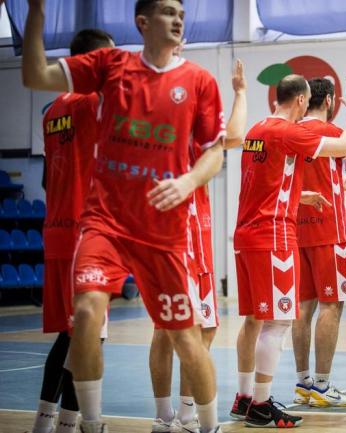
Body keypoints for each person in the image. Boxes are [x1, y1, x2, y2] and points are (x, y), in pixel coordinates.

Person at [22, 1, 227, 432]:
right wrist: (37, 13)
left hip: (161, 230)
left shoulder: (199, 80)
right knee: (85, 314)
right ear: (142, 22)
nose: (178, 19)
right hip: (104, 221)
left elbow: (215, 152)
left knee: (186, 337)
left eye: (181, 13)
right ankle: (90, 423)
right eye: (168, 11)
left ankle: (207, 426)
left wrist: (189, 181)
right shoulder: (110, 67)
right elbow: (35, 76)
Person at [229, 74, 346, 428]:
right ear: (302, 100)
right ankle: (261, 405)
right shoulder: (288, 131)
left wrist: (298, 196)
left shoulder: (257, 129)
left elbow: (264, 181)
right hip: (273, 236)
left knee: (254, 320)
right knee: (278, 323)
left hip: (246, 234)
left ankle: (244, 397)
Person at [148, 59, 247, 433]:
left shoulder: (162, 126)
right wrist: (241, 93)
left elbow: (231, 137)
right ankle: (187, 418)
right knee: (194, 330)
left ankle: (167, 417)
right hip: (185, 239)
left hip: (174, 237)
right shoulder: (185, 129)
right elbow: (234, 135)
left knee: (168, 329)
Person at [32, 28, 114, 433]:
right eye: (108, 59)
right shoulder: (94, 102)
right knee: (86, 338)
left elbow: (48, 179)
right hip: (86, 234)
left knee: (74, 335)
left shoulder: (52, 111)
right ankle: (63, 425)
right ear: (89, 63)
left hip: (59, 229)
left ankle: (52, 423)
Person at [291, 78, 346, 407]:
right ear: (328, 101)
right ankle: (323, 386)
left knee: (303, 307)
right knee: (331, 306)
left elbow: (308, 177)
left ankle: (303, 383)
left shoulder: (293, 132)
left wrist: (339, 184)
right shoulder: (331, 132)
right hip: (329, 231)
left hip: (298, 229)